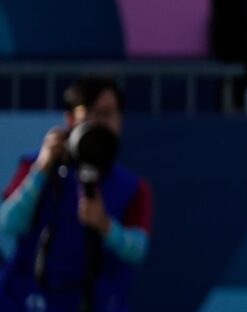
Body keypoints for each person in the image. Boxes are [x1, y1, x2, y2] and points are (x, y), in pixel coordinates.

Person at [0, 77, 153, 312]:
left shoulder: (133, 187)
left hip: (98, 303)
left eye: (108, 113)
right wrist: (41, 171)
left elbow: (137, 250)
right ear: (70, 119)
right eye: (91, 113)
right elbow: (6, 224)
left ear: (120, 121)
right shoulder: (37, 166)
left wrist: (104, 225)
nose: (100, 123)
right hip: (25, 300)